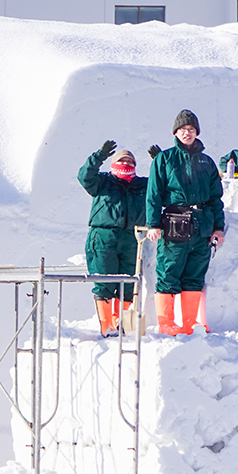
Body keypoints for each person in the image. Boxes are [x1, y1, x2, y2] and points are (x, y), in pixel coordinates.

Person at [145, 109, 226, 335]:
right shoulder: (164, 159)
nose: (187, 133)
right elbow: (153, 194)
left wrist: (218, 228)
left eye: (191, 129)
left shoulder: (206, 161)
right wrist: (153, 224)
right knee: (169, 273)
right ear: (175, 132)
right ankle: (167, 323)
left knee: (194, 275)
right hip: (174, 223)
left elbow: (215, 198)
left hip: (202, 226)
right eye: (182, 129)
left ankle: (189, 323)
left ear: (196, 132)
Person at [78, 141, 148, 337]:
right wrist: (99, 156)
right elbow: (84, 176)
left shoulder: (143, 184)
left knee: (129, 283)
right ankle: (107, 327)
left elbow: (165, 186)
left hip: (132, 238)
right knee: (104, 281)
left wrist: (160, 161)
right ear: (114, 163)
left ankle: (124, 326)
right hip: (103, 236)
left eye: (129, 161)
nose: (126, 163)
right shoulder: (102, 181)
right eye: (121, 160)